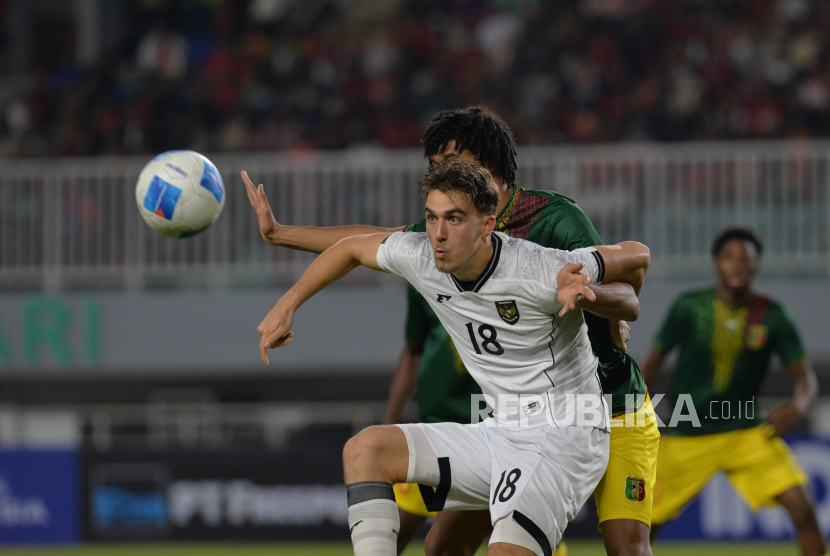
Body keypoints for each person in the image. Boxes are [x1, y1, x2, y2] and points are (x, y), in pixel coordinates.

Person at [242, 106, 658, 556]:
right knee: (437, 542)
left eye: (450, 161)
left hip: (605, 407)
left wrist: (598, 302)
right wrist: (281, 242)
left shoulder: (550, 230)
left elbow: (628, 276)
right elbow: (361, 244)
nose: (440, 173)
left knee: (625, 550)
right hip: (507, 423)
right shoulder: (440, 236)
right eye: (434, 165)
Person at [641, 227, 825, 556]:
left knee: (803, 508)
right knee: (641, 525)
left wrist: (797, 407)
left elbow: (807, 379)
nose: (737, 264)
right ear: (716, 265)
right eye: (728, 258)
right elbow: (650, 367)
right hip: (688, 432)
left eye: (746, 258)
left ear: (756, 266)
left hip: (745, 432)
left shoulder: (772, 315)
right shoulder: (688, 307)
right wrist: (634, 416)